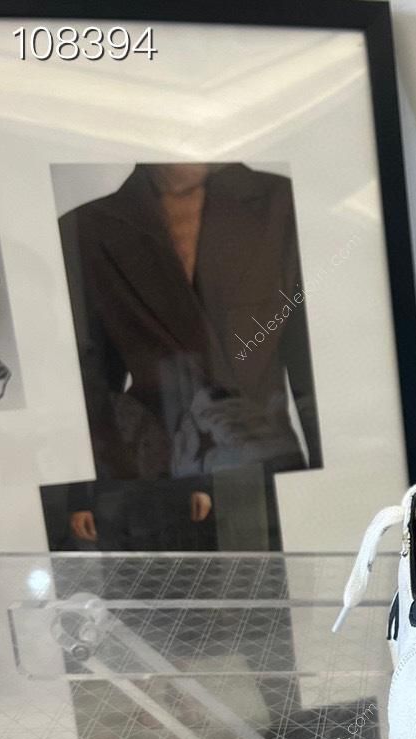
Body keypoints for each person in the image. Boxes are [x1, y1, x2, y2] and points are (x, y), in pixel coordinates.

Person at [58, 163, 322, 551]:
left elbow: (308, 360)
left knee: (268, 585)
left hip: (262, 465)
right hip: (153, 476)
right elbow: (93, 380)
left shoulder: (281, 202)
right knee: (166, 589)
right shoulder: (89, 226)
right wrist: (84, 493)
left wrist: (326, 480)